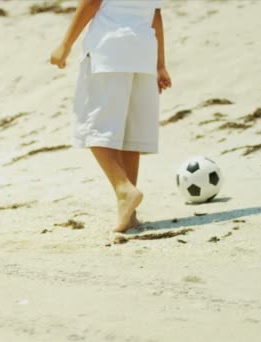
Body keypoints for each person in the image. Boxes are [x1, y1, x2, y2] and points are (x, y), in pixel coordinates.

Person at [50, 0, 172, 233]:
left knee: (93, 126)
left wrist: (65, 44)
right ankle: (129, 213)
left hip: (110, 49)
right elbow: (155, 15)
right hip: (143, 49)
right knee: (129, 132)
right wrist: (159, 64)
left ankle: (123, 188)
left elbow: (92, 2)